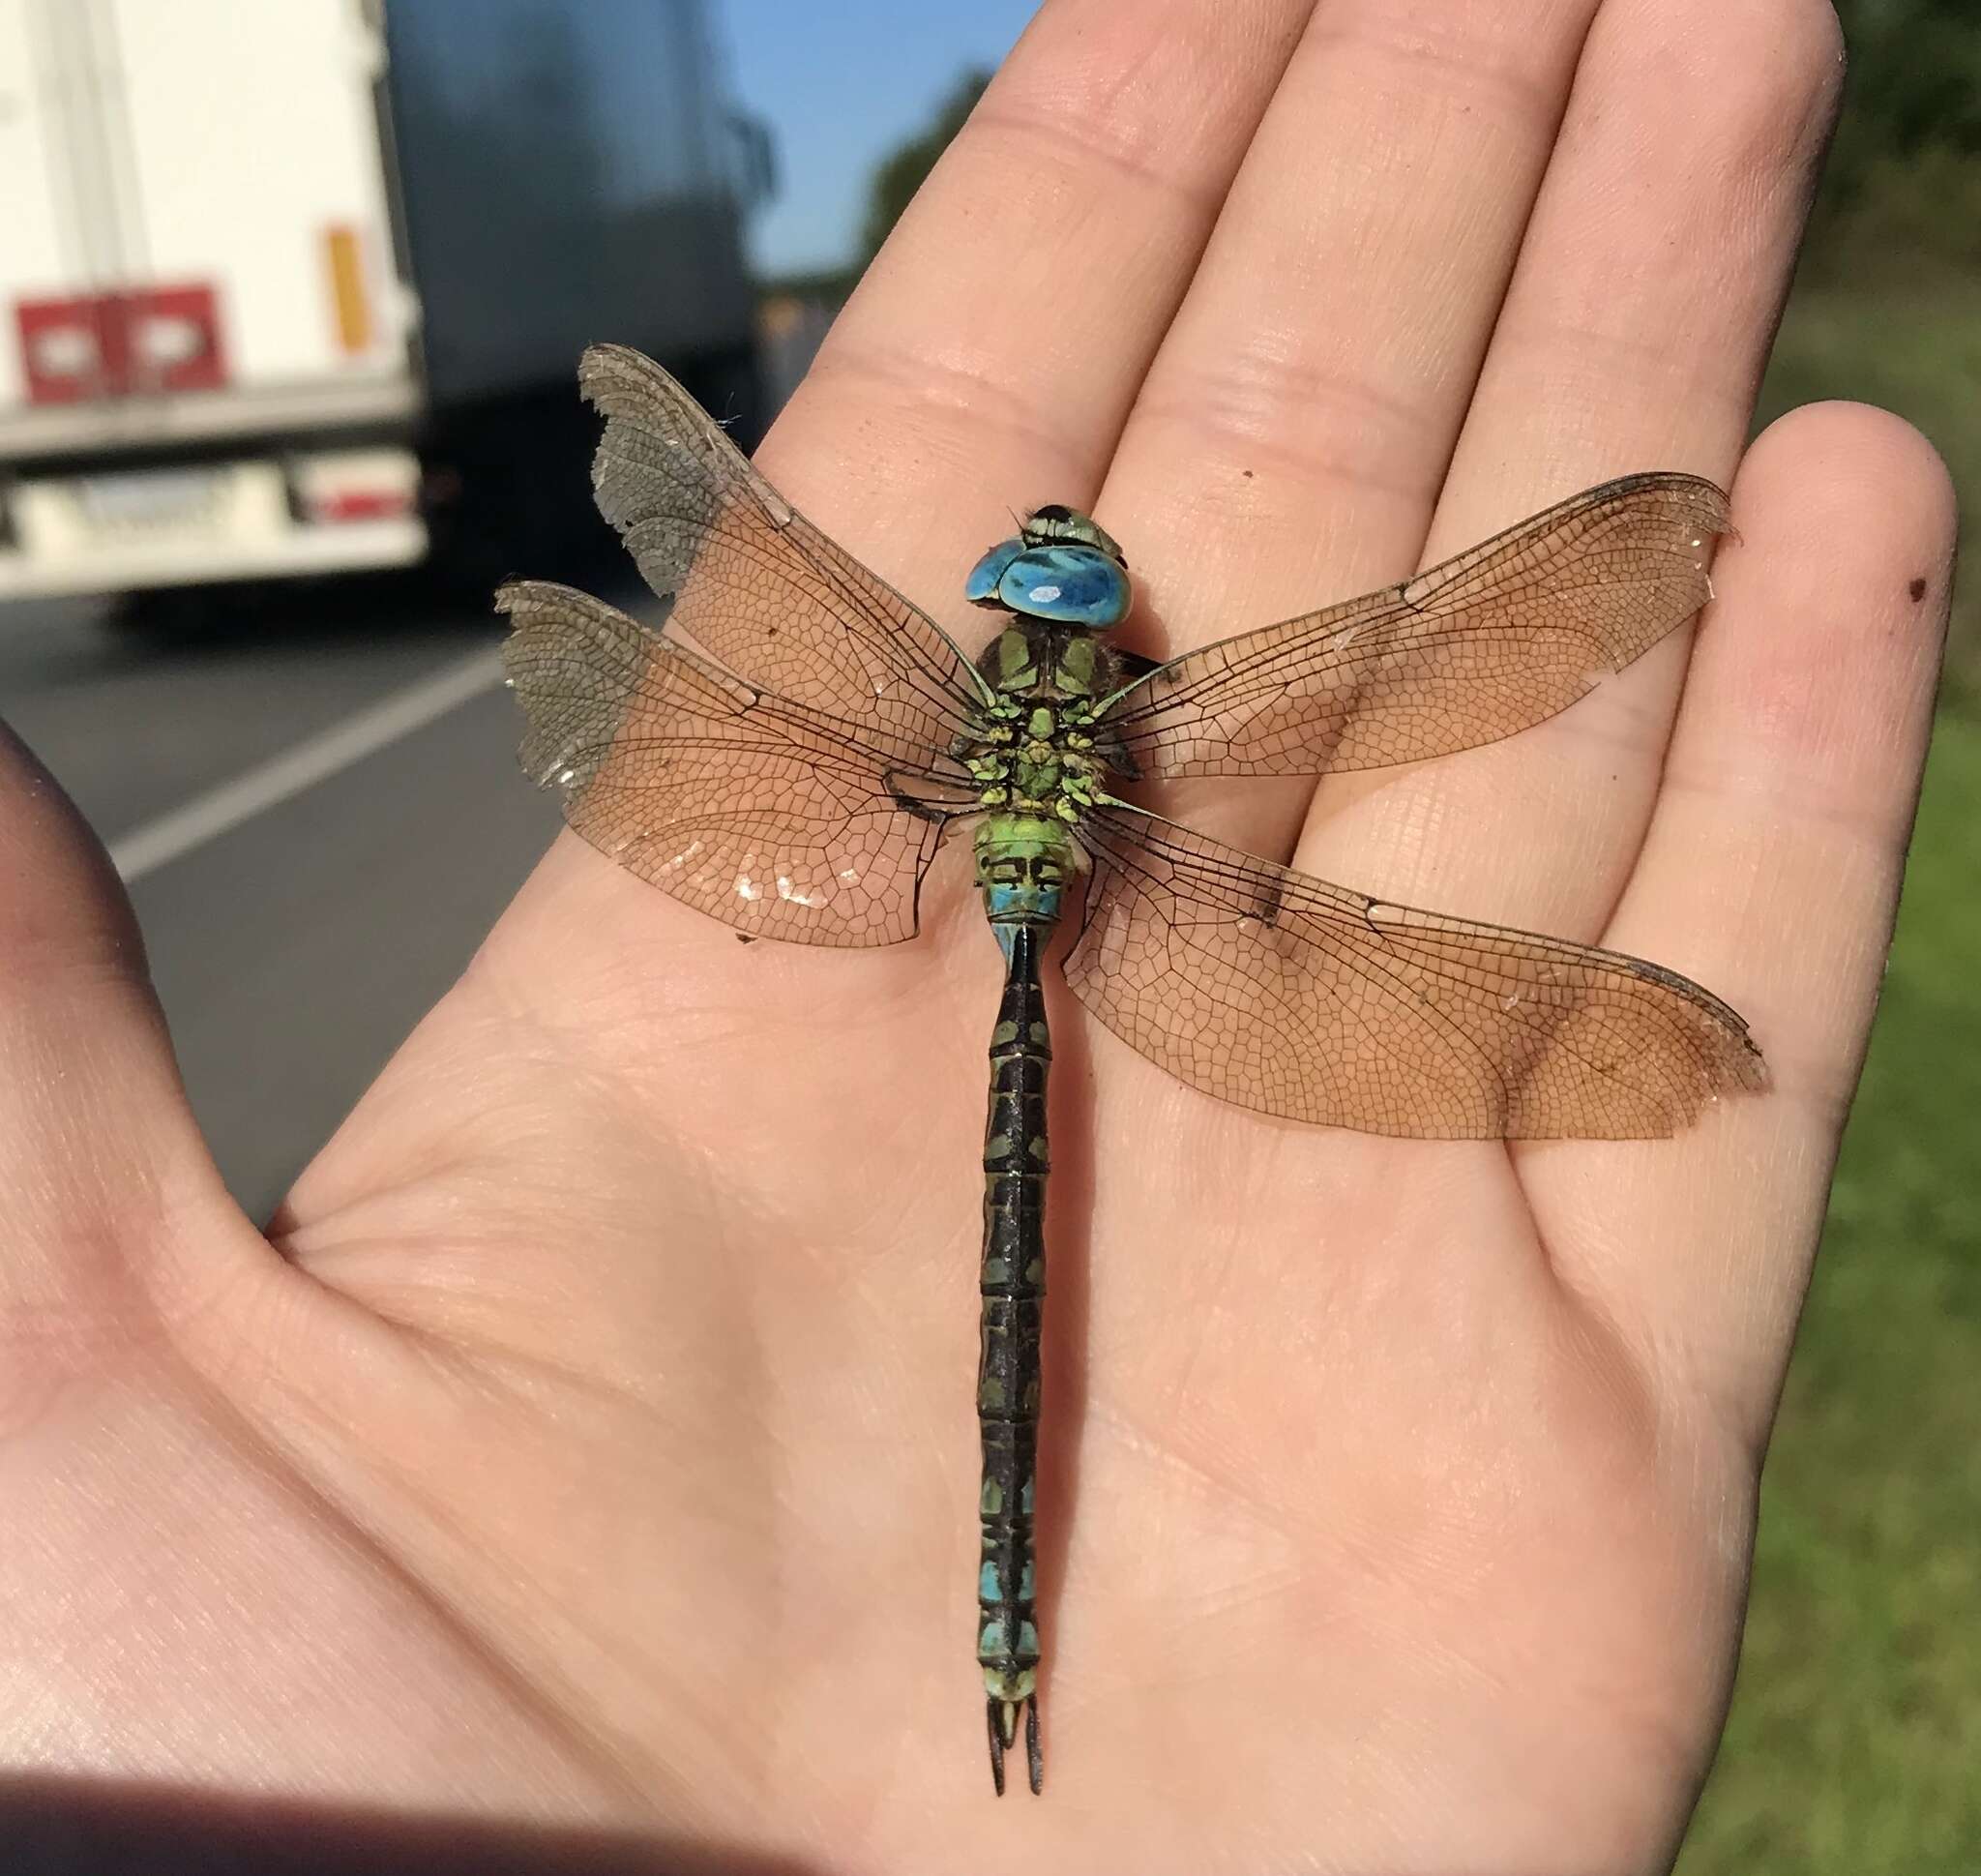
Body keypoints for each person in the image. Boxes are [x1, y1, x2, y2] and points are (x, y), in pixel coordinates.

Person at [0, 0, 1953, 1868]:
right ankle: (1009, 1627)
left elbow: (728, 579)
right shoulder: (1127, 726)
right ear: (1085, 639)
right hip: (1089, 899)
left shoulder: (937, 714)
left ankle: (997, 1628)